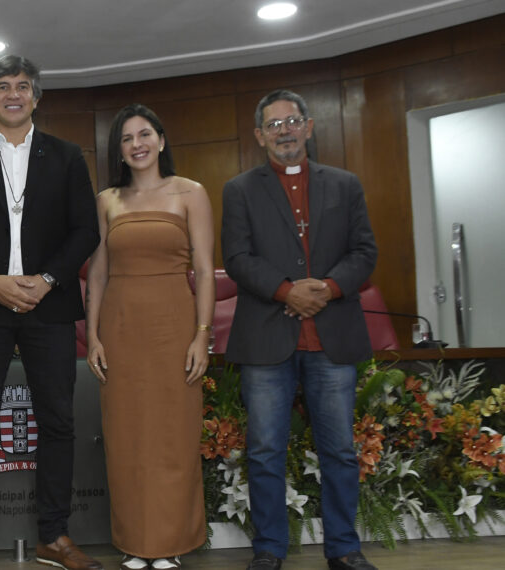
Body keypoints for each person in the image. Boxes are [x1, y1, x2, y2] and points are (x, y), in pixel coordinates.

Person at [0, 55, 100, 570]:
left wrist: (47, 280)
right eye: (3, 86)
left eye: (24, 86)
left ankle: (53, 537)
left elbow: (85, 231)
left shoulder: (66, 156)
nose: (14, 94)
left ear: (36, 97)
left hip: (48, 305)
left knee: (58, 422)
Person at [221, 90, 378, 570]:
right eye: (274, 124)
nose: (284, 131)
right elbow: (237, 258)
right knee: (266, 451)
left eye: (292, 121)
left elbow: (364, 253)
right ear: (259, 135)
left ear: (309, 127)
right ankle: (269, 549)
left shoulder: (346, 184)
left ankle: (344, 551)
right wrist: (287, 291)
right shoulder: (240, 189)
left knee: (340, 452)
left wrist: (326, 289)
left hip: (332, 337)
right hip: (268, 336)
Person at [84, 104, 213, 570]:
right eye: (126, 138)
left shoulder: (190, 193)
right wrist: (93, 336)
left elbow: (203, 269)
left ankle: (170, 543)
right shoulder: (107, 200)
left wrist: (202, 336)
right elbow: (97, 272)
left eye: (144, 135)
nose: (136, 144)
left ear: (160, 140)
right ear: (118, 150)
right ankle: (136, 543)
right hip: (120, 328)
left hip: (174, 326)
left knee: (172, 437)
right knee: (126, 437)